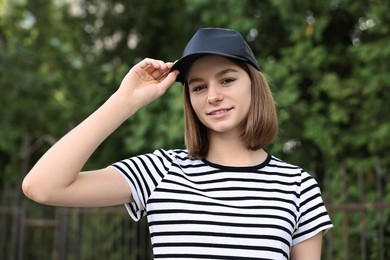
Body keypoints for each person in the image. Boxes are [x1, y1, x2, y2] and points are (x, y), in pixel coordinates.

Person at [22, 27, 333, 260]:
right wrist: (125, 100)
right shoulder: (161, 171)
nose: (212, 96)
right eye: (198, 87)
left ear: (254, 85)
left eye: (227, 80)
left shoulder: (297, 186)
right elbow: (43, 186)